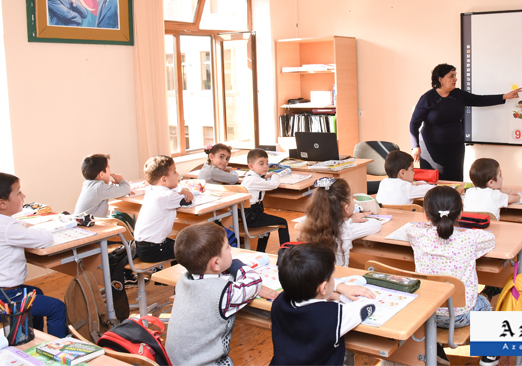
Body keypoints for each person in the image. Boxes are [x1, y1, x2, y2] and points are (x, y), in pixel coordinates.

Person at [406, 186, 498, 366]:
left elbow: (410, 227)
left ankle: (435, 348)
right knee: (485, 304)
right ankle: (489, 356)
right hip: (460, 316)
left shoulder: (418, 236)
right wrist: (465, 230)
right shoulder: (470, 239)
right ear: (460, 214)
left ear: (426, 215)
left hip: (426, 314)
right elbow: (491, 238)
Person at [165, 222, 277, 366]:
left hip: (176, 361)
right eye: (228, 248)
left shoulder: (183, 279)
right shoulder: (224, 294)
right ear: (216, 264)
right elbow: (254, 282)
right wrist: (236, 265)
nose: (231, 249)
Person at [0, 173, 67, 337]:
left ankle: (36, 337)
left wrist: (19, 225)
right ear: (2, 204)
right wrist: (27, 227)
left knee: (36, 291)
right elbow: (46, 238)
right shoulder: (9, 228)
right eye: (18, 192)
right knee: (57, 307)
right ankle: (57, 348)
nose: (23, 196)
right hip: (1, 299)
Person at [410, 63, 522, 181]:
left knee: (455, 180)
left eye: (455, 75)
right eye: (451, 76)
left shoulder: (458, 95)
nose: (455, 79)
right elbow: (414, 123)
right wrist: (415, 146)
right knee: (434, 182)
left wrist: (505, 96)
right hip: (431, 148)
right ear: (440, 79)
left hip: (455, 147)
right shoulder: (428, 98)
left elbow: (480, 100)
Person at [270, 243, 376, 366]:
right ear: (323, 287)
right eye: (333, 277)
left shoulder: (280, 301)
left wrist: (336, 290)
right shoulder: (334, 315)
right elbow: (369, 303)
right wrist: (340, 294)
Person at [299, 178, 382, 267]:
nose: (354, 201)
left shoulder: (312, 223)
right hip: (337, 278)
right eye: (352, 198)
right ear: (346, 208)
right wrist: (349, 219)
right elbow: (376, 225)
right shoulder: (345, 228)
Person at [134, 155, 193, 262]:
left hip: (142, 247)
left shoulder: (152, 189)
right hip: (154, 249)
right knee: (192, 250)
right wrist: (186, 190)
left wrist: (182, 188)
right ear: (164, 179)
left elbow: (175, 190)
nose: (178, 174)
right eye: (174, 172)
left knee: (180, 244)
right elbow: (188, 200)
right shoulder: (167, 196)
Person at [241, 148, 290, 252]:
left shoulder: (250, 177)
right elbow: (274, 184)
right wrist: (275, 175)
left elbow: (261, 182)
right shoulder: (254, 180)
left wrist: (266, 176)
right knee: (283, 222)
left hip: (248, 214)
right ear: (251, 166)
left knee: (267, 227)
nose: (265, 166)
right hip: (252, 215)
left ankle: (261, 251)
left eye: (267, 163)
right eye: (261, 163)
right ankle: (286, 252)